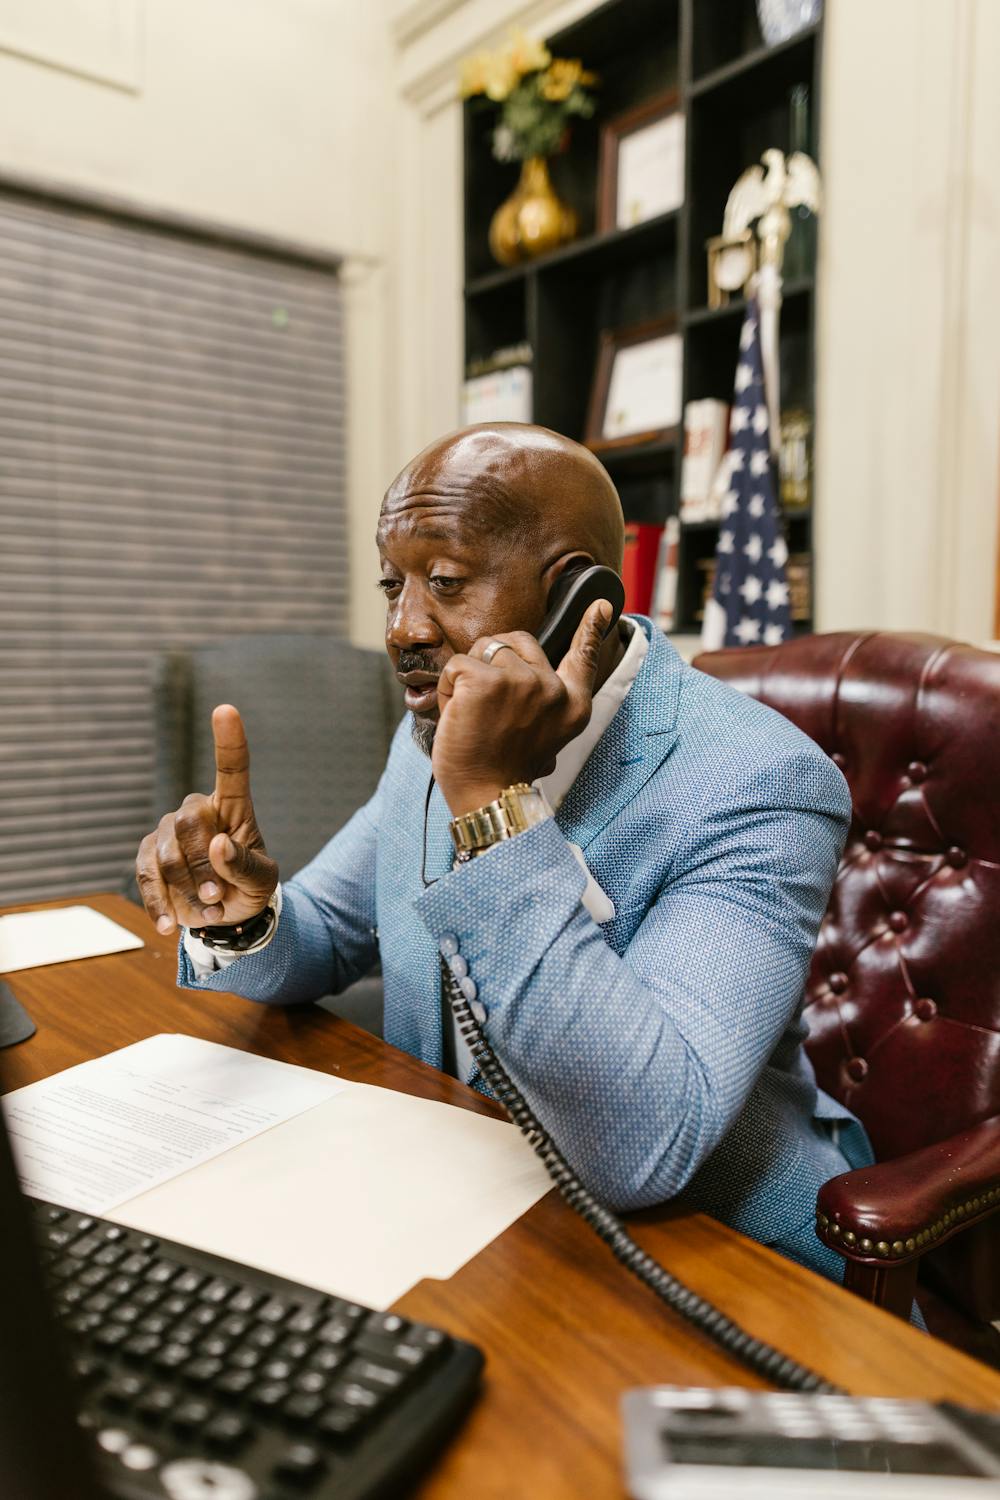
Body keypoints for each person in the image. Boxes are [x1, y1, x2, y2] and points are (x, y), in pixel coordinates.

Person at [135, 421, 871, 1282]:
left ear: (578, 594)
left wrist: (490, 804)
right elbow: (331, 932)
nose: (403, 627)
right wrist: (241, 915)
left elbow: (645, 1143)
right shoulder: (431, 733)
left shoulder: (759, 782)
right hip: (464, 1217)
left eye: (445, 582)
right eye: (392, 586)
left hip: (711, 1258)